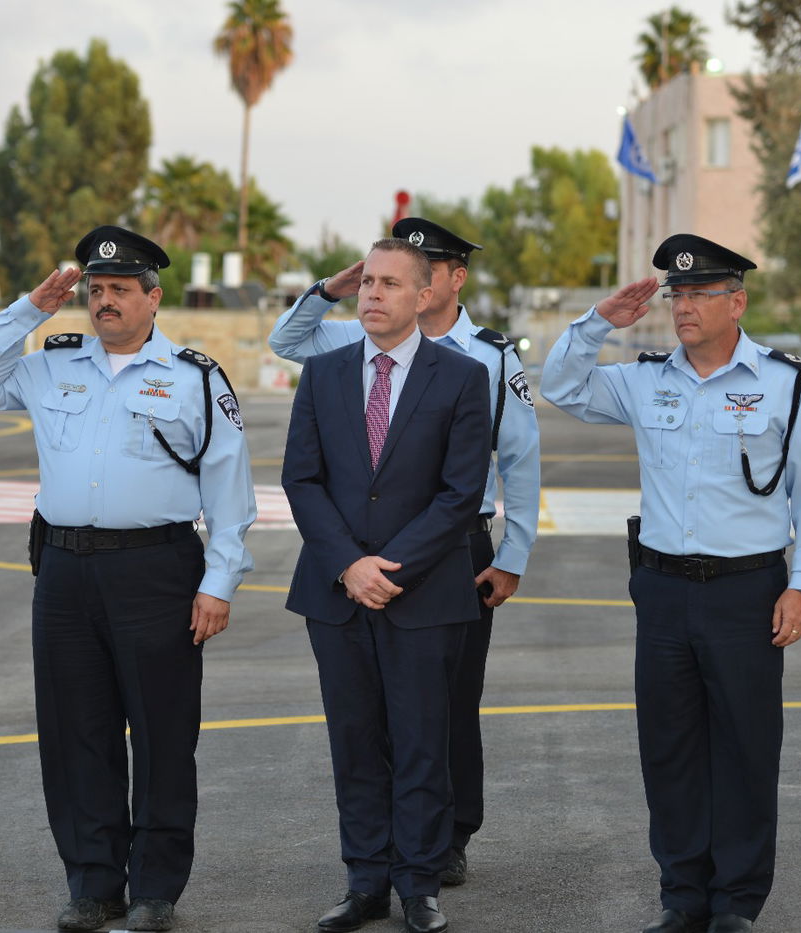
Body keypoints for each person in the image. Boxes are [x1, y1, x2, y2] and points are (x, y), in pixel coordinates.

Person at [540, 234, 801, 933]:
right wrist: (595, 323)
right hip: (664, 591)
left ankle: (736, 900)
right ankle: (683, 895)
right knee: (669, 747)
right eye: (676, 294)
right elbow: (560, 385)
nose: (682, 307)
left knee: (744, 745)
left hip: (748, 591)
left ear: (737, 301)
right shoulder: (646, 379)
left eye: (700, 293)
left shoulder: (786, 382)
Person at [0, 225, 255, 933]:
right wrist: (27, 312)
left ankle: (155, 888)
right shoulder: (50, 364)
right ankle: (93, 882)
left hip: (156, 569)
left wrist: (219, 581)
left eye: (121, 289)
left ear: (154, 298)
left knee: (160, 732)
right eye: (97, 290)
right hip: (64, 570)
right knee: (75, 731)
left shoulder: (194, 377)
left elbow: (229, 489)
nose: (105, 301)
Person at [269, 217, 541, 886]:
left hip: (448, 550)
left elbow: (518, 458)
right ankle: (377, 862)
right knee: (361, 728)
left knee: (444, 710)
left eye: (395, 279)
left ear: (444, 281)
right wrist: (332, 288)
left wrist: (513, 552)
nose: (375, 292)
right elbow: (287, 345)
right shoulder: (341, 348)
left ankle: (443, 840)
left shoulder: (485, 357)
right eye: (370, 279)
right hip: (348, 561)